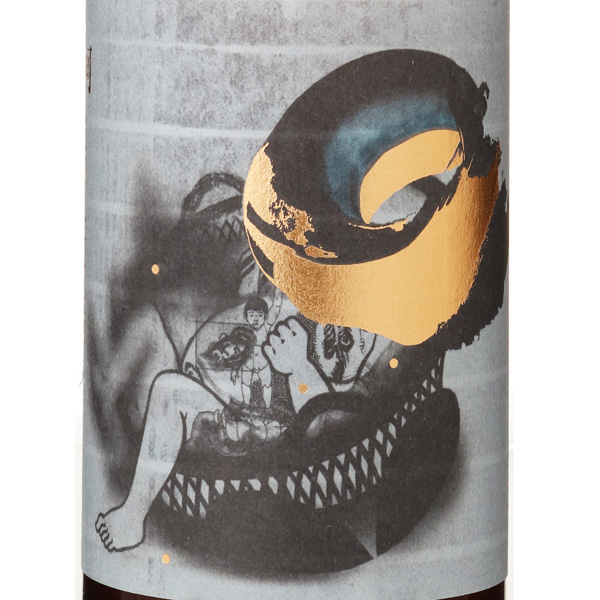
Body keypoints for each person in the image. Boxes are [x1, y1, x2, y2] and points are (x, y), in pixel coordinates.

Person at [95, 316, 330, 552]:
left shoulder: (324, 367)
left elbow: (315, 424)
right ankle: (102, 411)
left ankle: (133, 517)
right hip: (199, 404)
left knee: (171, 389)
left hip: (229, 435)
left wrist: (301, 365)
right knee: (149, 322)